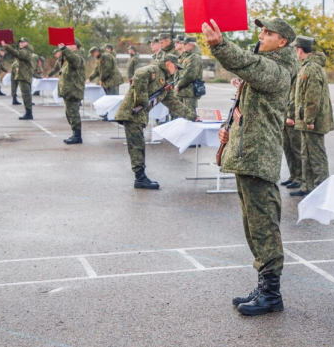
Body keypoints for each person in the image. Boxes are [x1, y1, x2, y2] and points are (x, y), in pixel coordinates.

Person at [202, 17, 296, 316]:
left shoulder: (278, 70)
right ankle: (263, 285)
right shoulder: (265, 64)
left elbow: (248, 64)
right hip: (248, 155)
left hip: (259, 157)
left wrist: (220, 45)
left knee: (263, 225)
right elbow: (248, 108)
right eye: (261, 31)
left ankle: (271, 293)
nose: (261, 36)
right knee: (252, 225)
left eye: (268, 33)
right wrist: (230, 130)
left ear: (282, 42)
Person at [115, 54, 197, 189]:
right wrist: (143, 101)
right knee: (136, 146)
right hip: (131, 112)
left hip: (140, 115)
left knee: (139, 145)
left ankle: (140, 177)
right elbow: (139, 73)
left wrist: (192, 116)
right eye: (175, 67)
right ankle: (140, 178)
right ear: (168, 63)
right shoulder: (154, 70)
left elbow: (173, 102)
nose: (176, 70)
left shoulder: (166, 80)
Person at [290, 36, 334, 197]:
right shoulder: (306, 66)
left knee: (316, 156)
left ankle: (322, 189)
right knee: (306, 154)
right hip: (306, 120)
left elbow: (312, 97)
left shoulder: (312, 68)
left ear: (300, 50)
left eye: (295, 49)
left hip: (312, 121)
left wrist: (309, 119)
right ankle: (307, 187)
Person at [281, 41, 302, 190]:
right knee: (287, 147)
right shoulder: (286, 68)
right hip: (284, 113)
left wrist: (291, 115)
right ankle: (293, 175)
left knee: (296, 148)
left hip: (292, 115)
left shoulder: (296, 69)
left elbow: (296, 95)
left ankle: (300, 177)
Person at [2, 37, 34, 120]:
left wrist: (7, 46)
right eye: (20, 42)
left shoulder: (27, 51)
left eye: (23, 42)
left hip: (24, 75)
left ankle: (29, 113)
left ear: (27, 43)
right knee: (25, 94)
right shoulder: (24, 50)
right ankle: (28, 112)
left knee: (26, 94)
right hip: (23, 75)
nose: (21, 43)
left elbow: (17, 54)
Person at [175, 37, 203, 112]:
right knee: (180, 115)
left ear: (191, 45)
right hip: (182, 91)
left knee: (190, 114)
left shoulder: (195, 57)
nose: (183, 45)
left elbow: (190, 74)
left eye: (185, 44)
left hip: (189, 92)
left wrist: (179, 85)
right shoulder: (186, 55)